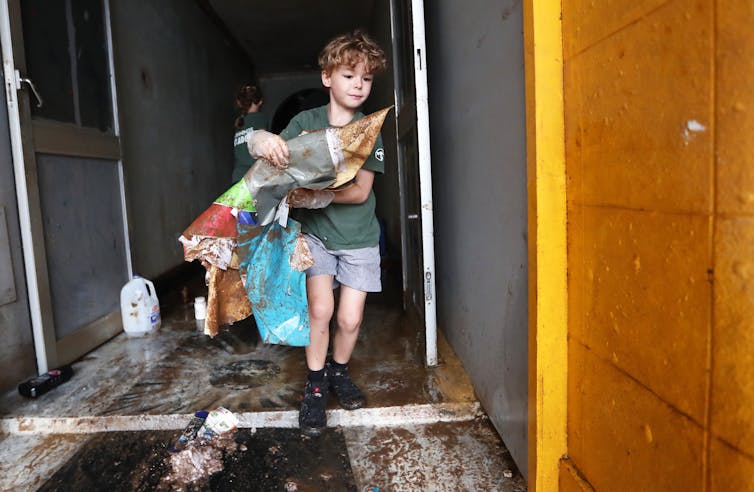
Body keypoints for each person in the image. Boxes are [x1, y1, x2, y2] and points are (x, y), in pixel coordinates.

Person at [247, 30, 388, 436]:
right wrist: (262, 138)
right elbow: (266, 153)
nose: (358, 85)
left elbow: (361, 191)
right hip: (316, 239)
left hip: (359, 237)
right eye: (349, 76)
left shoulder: (368, 130)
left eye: (366, 79)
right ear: (327, 77)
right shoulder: (305, 123)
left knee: (349, 318)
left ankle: (339, 372)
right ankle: (314, 387)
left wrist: (312, 197)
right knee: (321, 312)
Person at [231, 83, 268, 183]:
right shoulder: (260, 118)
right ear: (260, 101)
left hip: (238, 177)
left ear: (239, 103)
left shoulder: (239, 122)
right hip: (253, 176)